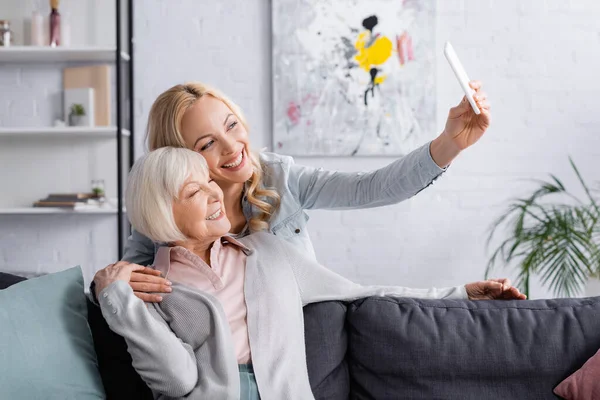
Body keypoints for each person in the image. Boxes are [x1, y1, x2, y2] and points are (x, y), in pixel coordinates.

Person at [93, 148, 524, 400]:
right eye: (194, 190)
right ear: (161, 211)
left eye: (209, 182)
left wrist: (462, 293)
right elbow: (176, 379)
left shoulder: (265, 252)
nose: (213, 194)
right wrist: (117, 299)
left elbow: (365, 292)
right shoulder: (149, 287)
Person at [95, 81, 492, 303]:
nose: (233, 147)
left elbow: (371, 189)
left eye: (232, 126)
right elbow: (120, 281)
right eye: (206, 144)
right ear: (179, 159)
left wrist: (449, 143)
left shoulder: (280, 178)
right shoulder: (164, 212)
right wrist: (109, 283)